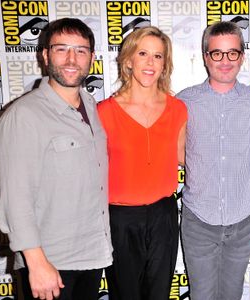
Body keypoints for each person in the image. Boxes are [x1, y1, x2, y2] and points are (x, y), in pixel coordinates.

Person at [0, 18, 112, 300]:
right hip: (50, 263)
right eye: (62, 49)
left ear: (92, 58)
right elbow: (16, 199)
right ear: (45, 54)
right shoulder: (24, 116)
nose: (72, 59)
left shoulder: (91, 106)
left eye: (81, 50)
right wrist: (37, 264)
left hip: (92, 256)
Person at [176, 21, 250, 300]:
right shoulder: (184, 102)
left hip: (243, 222)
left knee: (232, 295)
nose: (225, 61)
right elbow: (179, 154)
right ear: (205, 56)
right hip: (198, 222)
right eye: (217, 53)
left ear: (242, 56)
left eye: (232, 53)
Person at [97, 26, 187, 300]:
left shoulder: (178, 109)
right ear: (128, 60)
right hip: (120, 220)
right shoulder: (104, 112)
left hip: (164, 216)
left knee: (159, 294)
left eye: (158, 56)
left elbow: (184, 158)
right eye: (143, 54)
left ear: (165, 64)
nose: (150, 63)